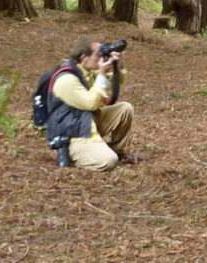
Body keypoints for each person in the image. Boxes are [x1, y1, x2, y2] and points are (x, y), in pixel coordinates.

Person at [45, 37, 139, 171]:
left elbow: (117, 81)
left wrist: (118, 64)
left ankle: (118, 150)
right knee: (108, 161)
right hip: (73, 134)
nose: (101, 57)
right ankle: (76, 155)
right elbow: (92, 104)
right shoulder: (67, 79)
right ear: (84, 57)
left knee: (125, 108)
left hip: (86, 121)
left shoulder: (86, 70)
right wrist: (101, 74)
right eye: (98, 54)